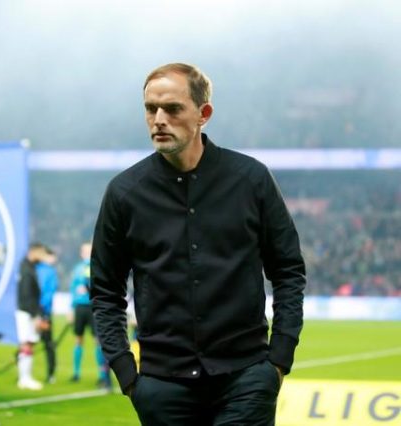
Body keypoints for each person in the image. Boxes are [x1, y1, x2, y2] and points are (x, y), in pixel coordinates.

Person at [90, 63, 306, 425]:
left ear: (203, 114)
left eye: (172, 108)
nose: (159, 119)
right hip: (162, 385)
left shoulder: (251, 179)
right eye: (151, 109)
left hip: (245, 379)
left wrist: (279, 359)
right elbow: (105, 291)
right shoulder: (124, 193)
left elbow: (288, 271)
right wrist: (128, 376)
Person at [69, 242, 111, 389]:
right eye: (85, 251)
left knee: (97, 340)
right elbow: (73, 289)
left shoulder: (97, 267)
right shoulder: (77, 269)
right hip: (80, 307)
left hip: (94, 307)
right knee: (78, 339)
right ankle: (76, 373)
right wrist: (71, 308)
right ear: (81, 253)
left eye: (89, 250)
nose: (87, 253)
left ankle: (102, 375)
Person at [14, 242, 48, 390]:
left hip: (29, 312)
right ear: (34, 252)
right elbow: (27, 295)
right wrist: (35, 316)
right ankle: (24, 378)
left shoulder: (28, 267)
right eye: (41, 253)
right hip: (27, 313)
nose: (43, 257)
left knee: (29, 343)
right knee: (26, 344)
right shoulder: (27, 270)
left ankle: (26, 377)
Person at [36, 246, 59, 384]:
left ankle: (24, 375)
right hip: (44, 312)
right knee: (48, 344)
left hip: (33, 311)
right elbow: (50, 292)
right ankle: (51, 374)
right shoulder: (50, 271)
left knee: (28, 342)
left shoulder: (34, 268)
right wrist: (43, 308)